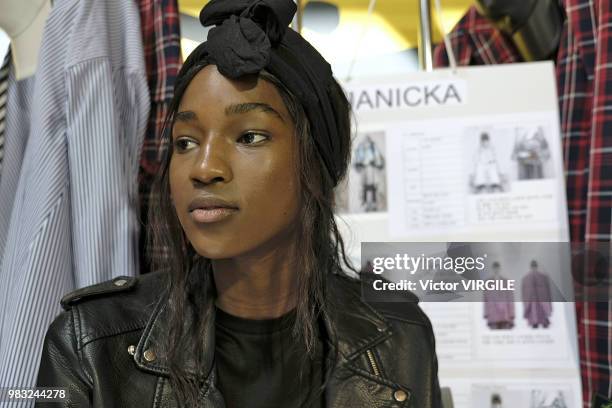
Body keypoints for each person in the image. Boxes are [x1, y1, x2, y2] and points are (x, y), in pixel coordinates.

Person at [35, 0, 441, 407]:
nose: (204, 167)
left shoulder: (400, 336)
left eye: (249, 137)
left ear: (315, 164)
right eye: (186, 142)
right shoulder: (90, 343)